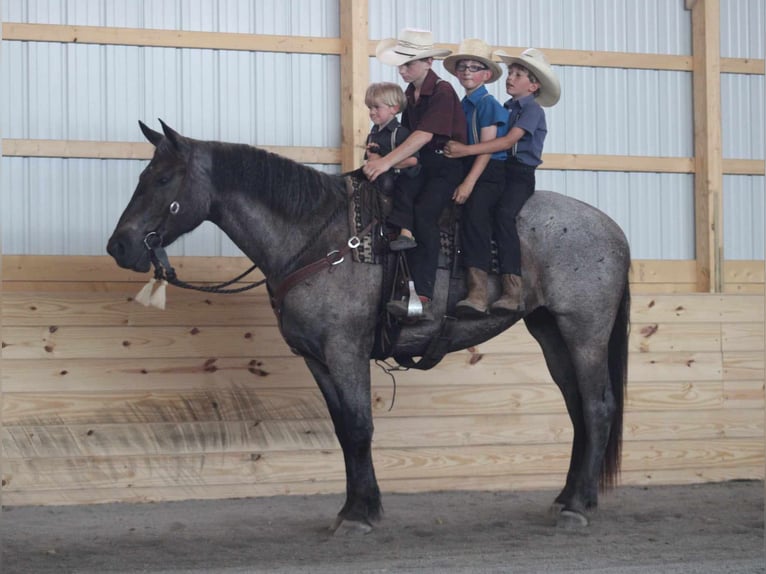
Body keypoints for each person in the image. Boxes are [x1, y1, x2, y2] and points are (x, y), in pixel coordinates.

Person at [445, 48, 560, 313]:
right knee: (478, 214)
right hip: (503, 170)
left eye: (518, 74)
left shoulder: (532, 110)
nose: (510, 78)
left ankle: (512, 288)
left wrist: (465, 151)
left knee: (505, 216)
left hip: (519, 173)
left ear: (533, 86)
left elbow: (507, 141)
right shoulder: (507, 108)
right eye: (510, 72)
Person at [364, 28, 467, 320]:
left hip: (444, 165)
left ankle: (423, 293)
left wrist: (386, 163)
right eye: (402, 63)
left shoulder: (443, 92)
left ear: (429, 62)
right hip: (422, 164)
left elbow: (422, 136)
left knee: (424, 212)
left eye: (410, 63)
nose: (404, 69)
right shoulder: (410, 94)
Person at [442, 39, 510, 318]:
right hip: (466, 163)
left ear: (487, 75)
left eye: (474, 67)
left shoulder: (487, 104)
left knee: (475, 214)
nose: (467, 72)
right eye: (462, 67)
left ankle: (478, 291)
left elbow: (488, 149)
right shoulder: (462, 104)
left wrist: (469, 183)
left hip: (487, 168)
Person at [363, 82, 421, 250]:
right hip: (383, 174)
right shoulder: (373, 133)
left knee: (404, 193)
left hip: (405, 175)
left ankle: (406, 233)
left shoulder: (401, 133)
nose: (372, 112)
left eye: (376, 107)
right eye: (369, 107)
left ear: (394, 109)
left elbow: (413, 161)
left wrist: (384, 162)